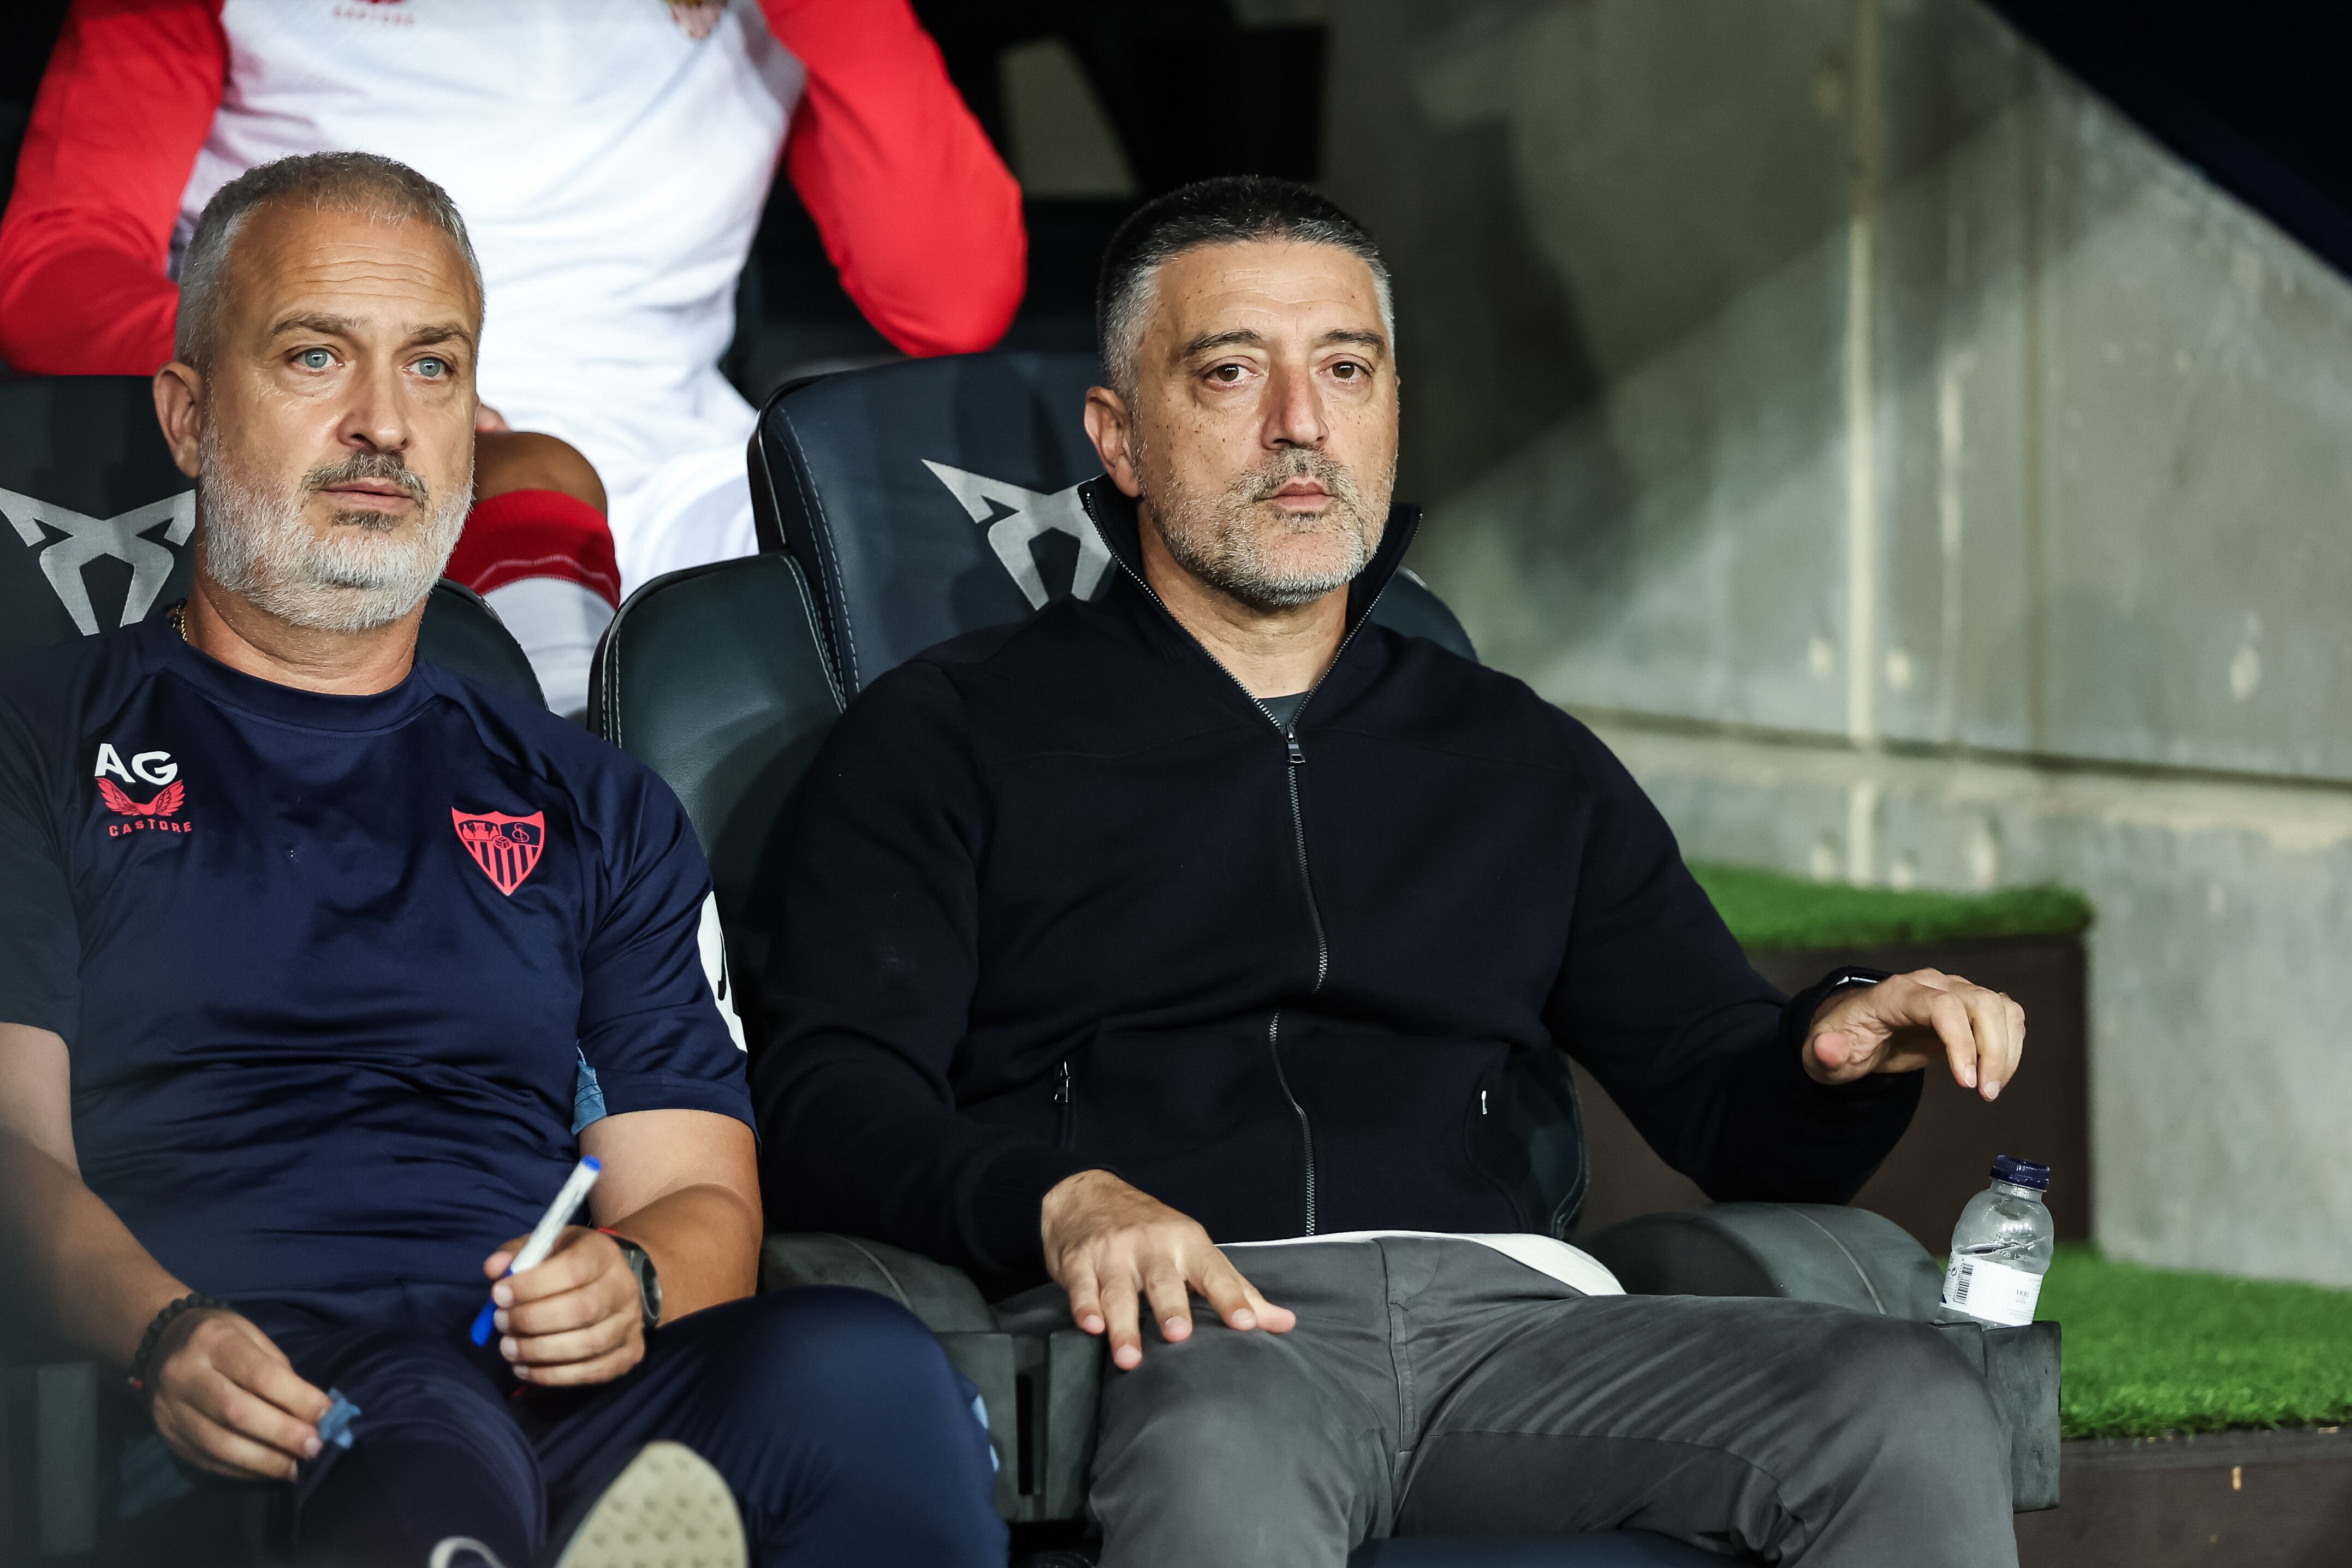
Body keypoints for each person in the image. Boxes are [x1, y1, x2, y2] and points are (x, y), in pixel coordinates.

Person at [755, 176, 2033, 1566]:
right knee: (1227, 1445)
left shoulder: (1513, 752)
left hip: (1519, 1329)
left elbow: (1732, 1107)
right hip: (1190, 1329)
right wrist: (1057, 1198)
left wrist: (1835, 1047)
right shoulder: (949, 735)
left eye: (1346, 369)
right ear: (1119, 438)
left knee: (1909, 1402)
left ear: (1391, 409)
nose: (1301, 422)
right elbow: (831, 1097)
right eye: (1231, 370)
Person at [0, 152, 1005, 1568]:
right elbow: (12, 1150)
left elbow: (701, 1197)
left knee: (871, 1378)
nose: (382, 422)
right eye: (314, 356)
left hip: (535, 1380)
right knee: (415, 1425)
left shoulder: (594, 804)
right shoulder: (38, 743)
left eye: (432, 367)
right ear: (187, 414)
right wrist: (157, 1330)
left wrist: (631, 1285)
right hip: (230, 1391)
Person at [0, 0, 1026, 717]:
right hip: (341, 434)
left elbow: (955, 300)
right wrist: (307, 367)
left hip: (674, 456)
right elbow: (56, 270)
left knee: (921, 607)